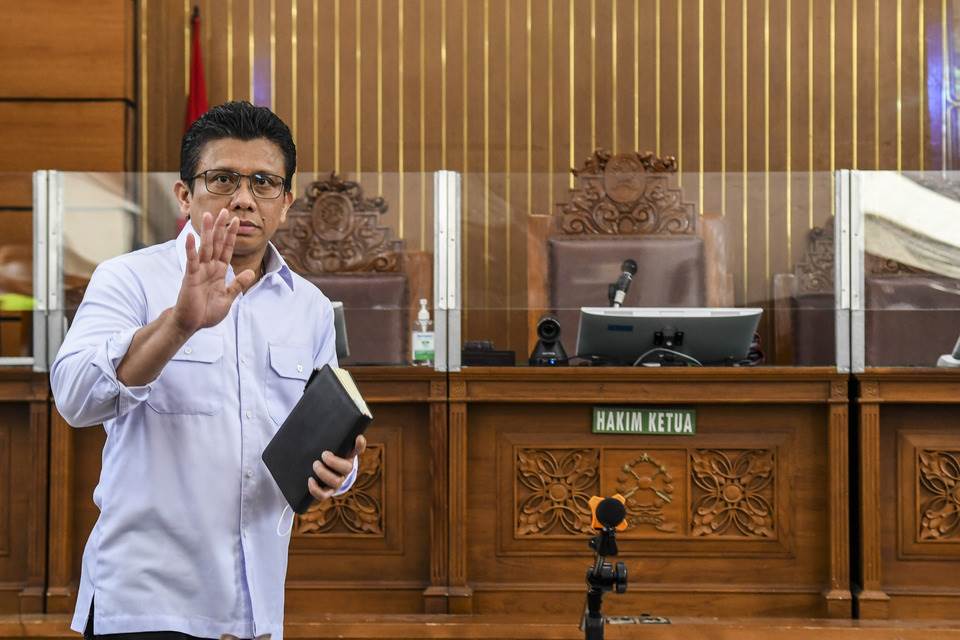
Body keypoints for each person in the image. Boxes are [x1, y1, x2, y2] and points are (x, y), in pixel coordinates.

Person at [50, 101, 365, 640]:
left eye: (264, 182)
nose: (244, 198)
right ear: (184, 194)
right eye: (222, 179)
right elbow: (75, 400)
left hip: (255, 608)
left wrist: (339, 471)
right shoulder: (129, 280)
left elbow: (318, 430)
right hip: (146, 601)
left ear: (286, 203)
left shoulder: (309, 307)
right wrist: (178, 325)